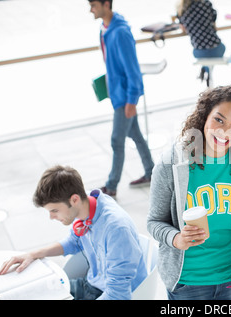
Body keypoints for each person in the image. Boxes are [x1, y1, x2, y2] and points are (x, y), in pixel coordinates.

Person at [147, 85, 231, 300]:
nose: (225, 131)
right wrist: (176, 238)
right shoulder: (172, 163)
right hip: (189, 283)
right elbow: (154, 222)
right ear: (204, 117)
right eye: (219, 120)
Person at [0, 165, 147, 300]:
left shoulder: (116, 229)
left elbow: (118, 294)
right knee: (38, 293)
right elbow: (74, 241)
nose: (51, 217)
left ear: (74, 199)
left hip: (113, 294)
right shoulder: (85, 203)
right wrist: (33, 254)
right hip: (91, 284)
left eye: (55, 211)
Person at [88, 0, 154, 196]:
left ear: (106, 4)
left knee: (117, 140)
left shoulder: (120, 33)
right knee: (136, 135)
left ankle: (112, 185)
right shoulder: (105, 29)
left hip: (125, 98)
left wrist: (131, 100)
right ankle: (151, 171)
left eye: (93, 5)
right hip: (118, 94)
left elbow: (133, 70)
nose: (90, 9)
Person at [175, 0, 225, 86]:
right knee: (213, 55)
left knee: (206, 58)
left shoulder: (181, 9)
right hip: (217, 49)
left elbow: (183, 29)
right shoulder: (206, 3)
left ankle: (205, 70)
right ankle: (207, 71)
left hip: (199, 52)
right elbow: (213, 20)